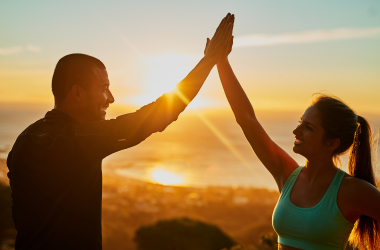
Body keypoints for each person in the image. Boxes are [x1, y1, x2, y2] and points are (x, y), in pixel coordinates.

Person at [6, 13, 234, 250]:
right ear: (77, 93)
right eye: (104, 88)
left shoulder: (23, 141)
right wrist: (208, 61)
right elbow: (152, 118)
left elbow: (18, 215)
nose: (111, 98)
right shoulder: (76, 141)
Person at [207, 15, 380, 250]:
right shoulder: (287, 175)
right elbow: (247, 120)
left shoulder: (352, 190)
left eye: (308, 127)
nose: (296, 130)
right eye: (300, 122)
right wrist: (221, 62)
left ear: (331, 142)